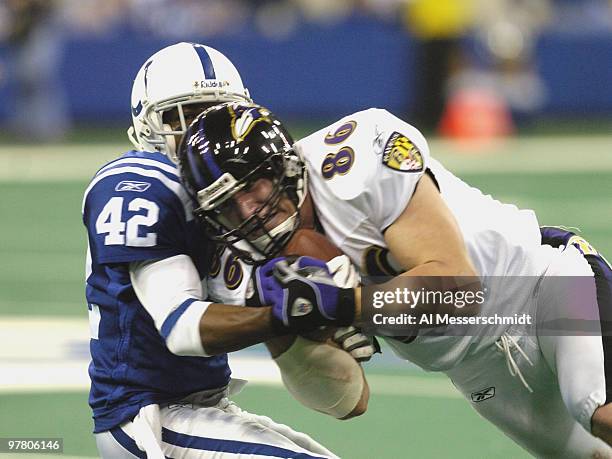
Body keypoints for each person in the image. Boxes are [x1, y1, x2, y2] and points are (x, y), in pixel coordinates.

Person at [177, 101, 612, 457]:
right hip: (475, 371)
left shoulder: (355, 161)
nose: (249, 211)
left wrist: (347, 304)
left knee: (599, 410)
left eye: (252, 187)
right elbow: (350, 402)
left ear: (284, 166)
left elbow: (461, 288)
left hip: (542, 286)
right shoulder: (246, 267)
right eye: (228, 205)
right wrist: (295, 332)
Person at [83, 42, 370, 459]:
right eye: (181, 118)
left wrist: (328, 312)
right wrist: (289, 311)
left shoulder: (245, 197)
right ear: (147, 125)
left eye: (215, 115)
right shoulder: (141, 182)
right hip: (147, 415)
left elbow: (348, 403)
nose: (199, 132)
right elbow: (181, 326)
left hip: (203, 404)